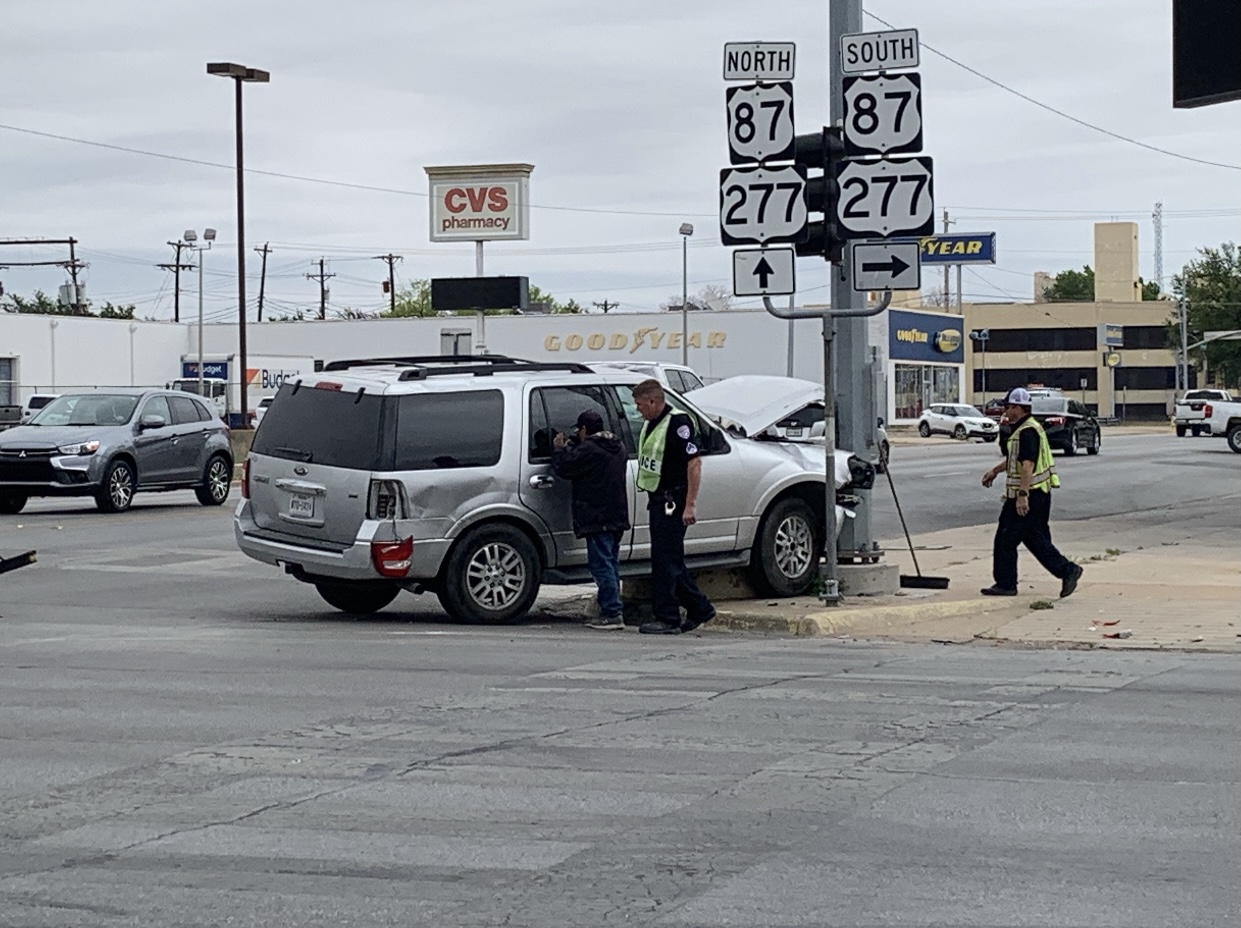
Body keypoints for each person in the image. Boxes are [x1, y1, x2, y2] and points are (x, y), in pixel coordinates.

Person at [979, 387, 1084, 598]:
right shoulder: (1029, 428)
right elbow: (1016, 460)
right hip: (1040, 494)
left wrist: (1022, 495)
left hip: (1029, 495)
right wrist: (995, 471)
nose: (1005, 411)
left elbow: (1027, 465)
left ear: (1018, 408)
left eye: (1008, 407)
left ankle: (1006, 584)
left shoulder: (1026, 431)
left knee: (1005, 539)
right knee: (1035, 539)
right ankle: (1067, 570)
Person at [630, 379, 715, 635]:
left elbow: (694, 464)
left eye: (640, 404)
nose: (638, 410)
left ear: (653, 401)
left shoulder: (678, 423)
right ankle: (699, 608)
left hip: (673, 501)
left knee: (666, 562)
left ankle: (668, 618)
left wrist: (690, 505)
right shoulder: (652, 423)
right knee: (668, 559)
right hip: (659, 500)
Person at [552, 409, 631, 630]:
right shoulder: (618, 446)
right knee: (611, 563)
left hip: (597, 516)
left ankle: (612, 612)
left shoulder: (589, 449)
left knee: (601, 565)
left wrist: (559, 448)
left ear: (585, 429)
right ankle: (613, 608)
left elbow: (565, 467)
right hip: (617, 515)